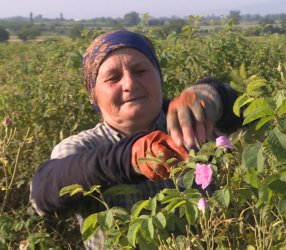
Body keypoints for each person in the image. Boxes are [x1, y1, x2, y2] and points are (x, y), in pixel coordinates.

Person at [30, 30, 242, 249]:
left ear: (159, 77)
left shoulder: (193, 122)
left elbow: (249, 114)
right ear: (93, 94)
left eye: (140, 70)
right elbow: (44, 192)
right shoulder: (83, 146)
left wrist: (215, 96)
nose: (129, 84)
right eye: (113, 78)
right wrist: (129, 157)